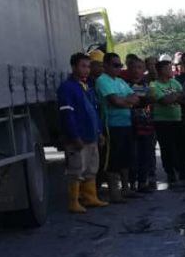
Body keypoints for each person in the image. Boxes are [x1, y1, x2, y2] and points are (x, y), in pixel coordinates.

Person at [57, 52, 108, 213]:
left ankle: (90, 197)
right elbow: (67, 115)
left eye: (88, 66)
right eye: (83, 66)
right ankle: (74, 201)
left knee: (91, 168)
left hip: (91, 135)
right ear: (73, 67)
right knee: (76, 169)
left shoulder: (87, 87)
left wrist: (99, 132)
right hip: (79, 138)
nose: (86, 70)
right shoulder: (67, 87)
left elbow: (94, 111)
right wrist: (74, 136)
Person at [95, 53, 141, 202]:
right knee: (113, 159)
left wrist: (125, 101)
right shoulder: (102, 80)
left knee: (125, 158)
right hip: (112, 125)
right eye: (115, 65)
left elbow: (135, 98)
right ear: (106, 65)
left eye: (120, 65)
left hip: (126, 123)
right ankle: (114, 193)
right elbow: (115, 101)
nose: (118, 68)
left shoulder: (120, 81)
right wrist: (127, 101)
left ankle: (125, 189)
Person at [149, 60, 185, 185]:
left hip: (177, 119)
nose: (171, 70)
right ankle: (169, 171)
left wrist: (173, 97)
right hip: (162, 121)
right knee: (166, 148)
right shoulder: (154, 85)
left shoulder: (174, 82)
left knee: (180, 147)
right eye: (168, 68)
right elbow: (164, 100)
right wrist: (175, 96)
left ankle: (180, 170)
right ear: (161, 71)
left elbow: (184, 97)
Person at [125, 55, 157, 192]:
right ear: (128, 69)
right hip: (131, 124)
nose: (136, 70)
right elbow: (135, 101)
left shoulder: (147, 85)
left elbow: (151, 100)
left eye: (139, 67)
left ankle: (143, 182)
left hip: (146, 124)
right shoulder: (124, 85)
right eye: (133, 67)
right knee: (132, 155)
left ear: (143, 69)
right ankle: (131, 183)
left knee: (146, 153)